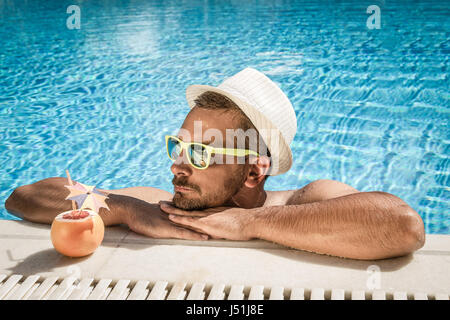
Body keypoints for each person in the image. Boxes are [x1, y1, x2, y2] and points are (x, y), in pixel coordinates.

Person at [5, 68, 425, 260]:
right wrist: (126, 208)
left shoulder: (304, 201)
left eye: (201, 153)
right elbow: (23, 198)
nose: (178, 166)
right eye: (178, 146)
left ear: (255, 170)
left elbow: (403, 225)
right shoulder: (158, 207)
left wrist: (248, 224)